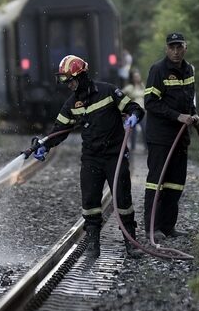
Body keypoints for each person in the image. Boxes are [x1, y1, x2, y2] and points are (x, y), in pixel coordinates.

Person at [23, 55, 146, 259]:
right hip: (91, 158)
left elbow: (134, 107)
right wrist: (45, 146)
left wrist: (133, 117)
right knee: (90, 202)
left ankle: (130, 242)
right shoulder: (71, 104)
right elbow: (59, 131)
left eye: (70, 80)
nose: (69, 85)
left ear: (83, 76)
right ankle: (92, 243)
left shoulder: (108, 91)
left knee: (123, 200)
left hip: (115, 155)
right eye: (66, 81)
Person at [143, 32, 199, 241]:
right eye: (172, 47)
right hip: (161, 137)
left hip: (180, 137)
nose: (176, 51)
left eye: (179, 47)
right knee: (157, 182)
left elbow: (188, 99)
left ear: (185, 47)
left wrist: (194, 114)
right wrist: (178, 116)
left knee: (176, 184)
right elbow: (150, 102)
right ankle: (152, 227)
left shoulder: (189, 70)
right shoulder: (158, 70)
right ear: (166, 49)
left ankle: (168, 227)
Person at [122, 68, 146, 153]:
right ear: (132, 78)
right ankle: (132, 148)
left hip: (142, 110)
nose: (137, 78)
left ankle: (146, 148)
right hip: (133, 111)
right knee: (133, 129)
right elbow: (121, 95)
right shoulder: (129, 87)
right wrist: (126, 105)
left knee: (144, 129)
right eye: (135, 76)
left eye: (138, 76)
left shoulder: (143, 86)